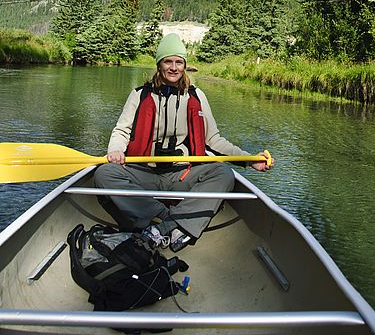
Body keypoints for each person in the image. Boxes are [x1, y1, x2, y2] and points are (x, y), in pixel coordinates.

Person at [94, 33, 274, 253]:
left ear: (185, 66)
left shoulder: (196, 97)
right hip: (143, 173)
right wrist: (115, 151)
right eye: (168, 61)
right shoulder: (139, 95)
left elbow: (214, 140)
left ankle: (161, 228)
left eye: (179, 62)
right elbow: (122, 131)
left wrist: (249, 160)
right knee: (104, 174)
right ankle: (171, 222)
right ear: (159, 64)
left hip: (181, 175)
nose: (174, 67)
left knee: (223, 174)